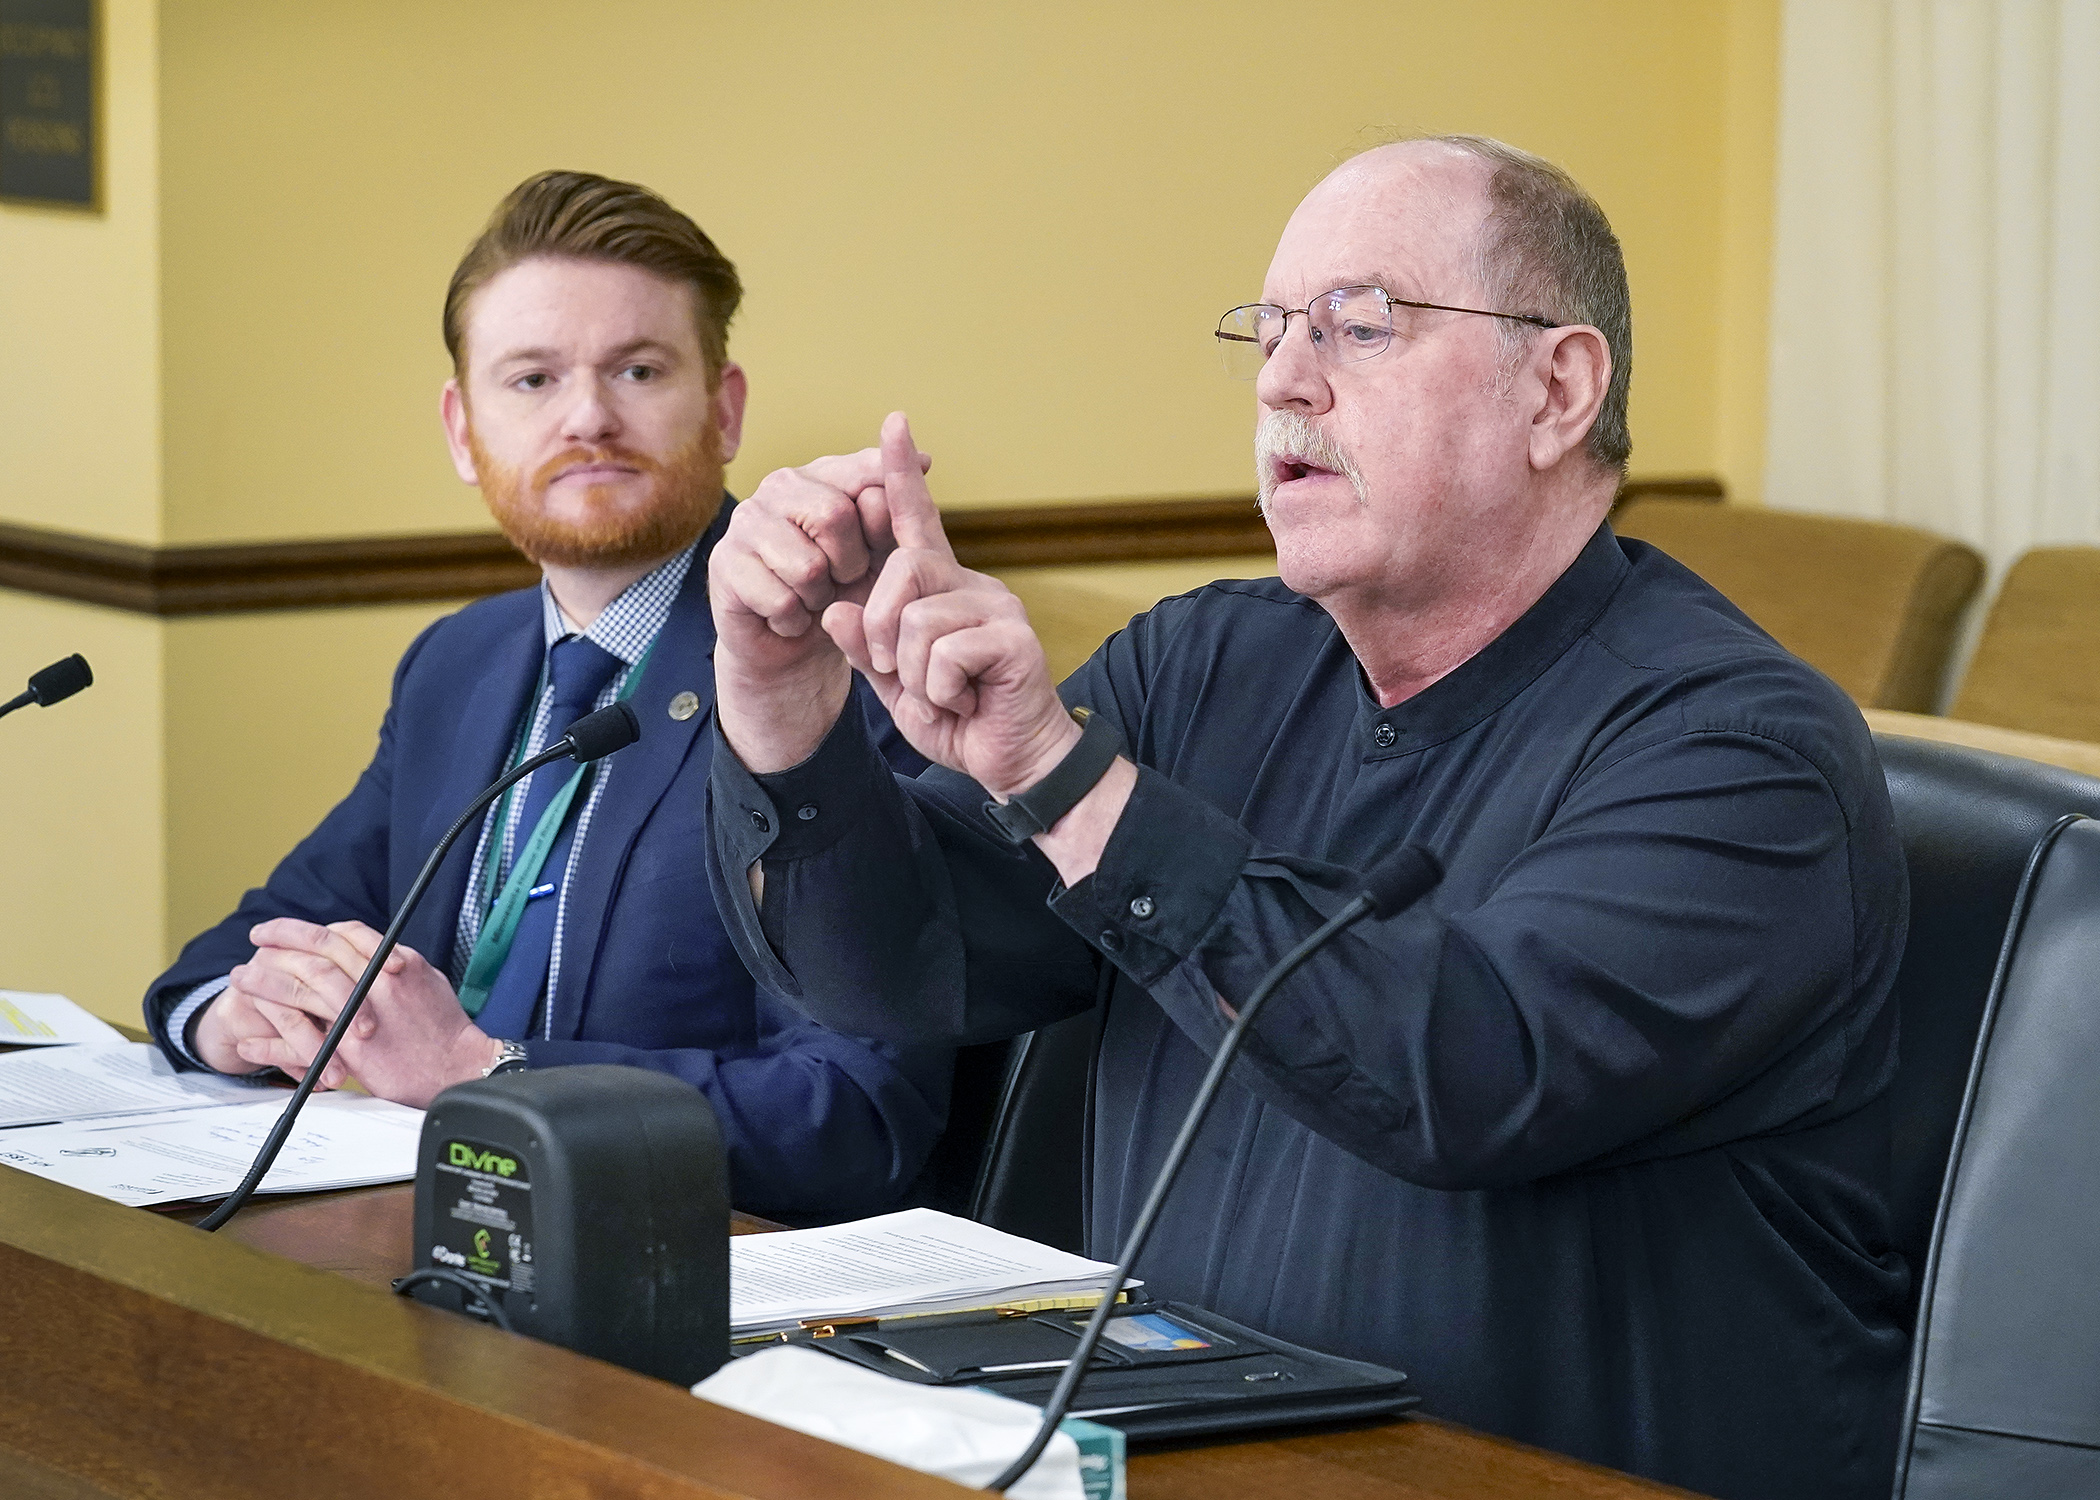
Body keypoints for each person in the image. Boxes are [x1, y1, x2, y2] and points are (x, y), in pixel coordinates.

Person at [698, 137, 1909, 1497]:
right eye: (1270, 330)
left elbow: (1466, 1070)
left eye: (1359, 326)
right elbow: (895, 967)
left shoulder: (1743, 751)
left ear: (1558, 390)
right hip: (1178, 1463)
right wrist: (780, 699)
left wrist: (1061, 772)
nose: (1283, 378)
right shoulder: (1206, 663)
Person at [143, 170, 948, 1223]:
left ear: (725, 407)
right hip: (430, 1232)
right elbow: (246, 944)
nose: (588, 418)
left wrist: (489, 1070)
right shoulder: (458, 664)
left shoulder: (841, 667)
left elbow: (852, 1116)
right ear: (461, 430)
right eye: (531, 380)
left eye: (639, 369)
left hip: (692, 1282)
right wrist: (235, 1018)